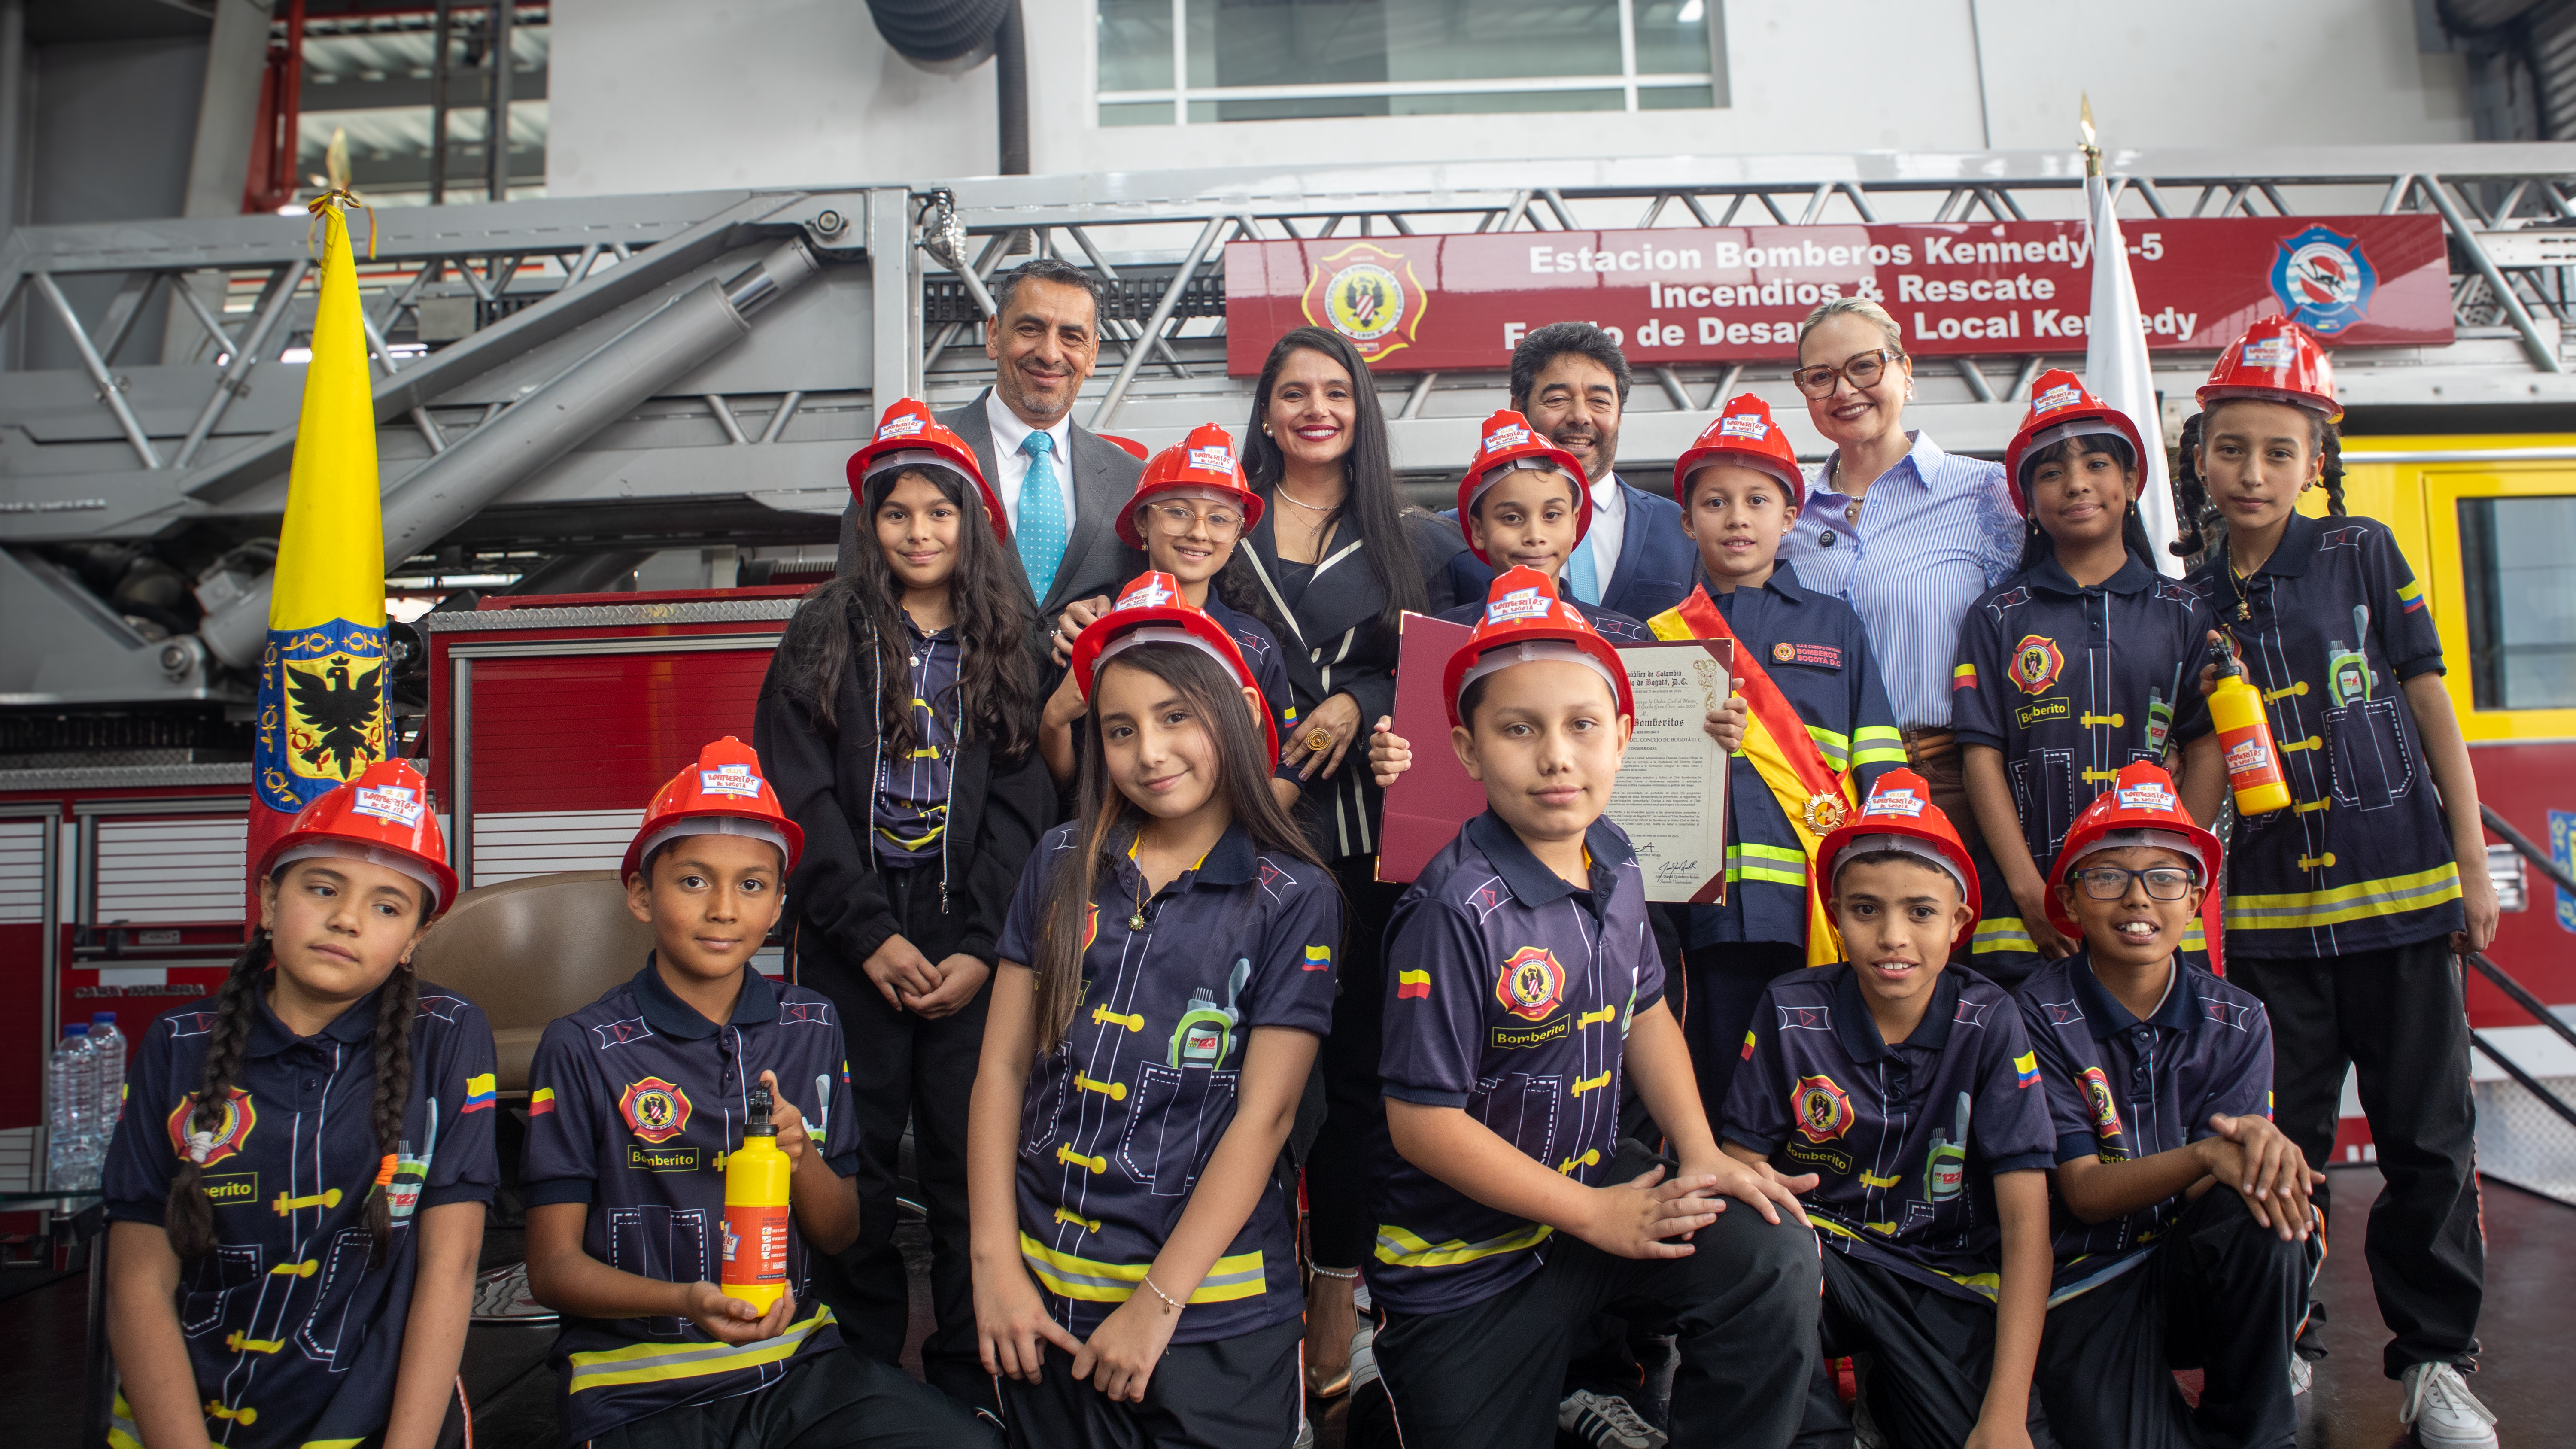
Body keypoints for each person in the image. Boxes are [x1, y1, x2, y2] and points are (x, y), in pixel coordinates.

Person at [1366, 566, 1823, 1449]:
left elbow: (1644, 1010)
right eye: (1518, 730)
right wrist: (1597, 1215)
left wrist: (1701, 1155)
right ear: (1466, 751)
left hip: (1584, 1193)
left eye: (1581, 726)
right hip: (1468, 1264)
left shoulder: (1613, 854)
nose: (1555, 756)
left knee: (1770, 1252)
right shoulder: (1453, 907)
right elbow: (1423, 1125)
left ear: (1623, 736)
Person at [2174, 316, 2501, 1449]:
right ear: (2201, 457)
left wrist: (2469, 861)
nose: (2253, 471)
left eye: (2277, 448)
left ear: (2317, 457)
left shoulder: (2364, 552)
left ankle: (2436, 1362)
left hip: (2404, 903)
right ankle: (2287, 1340)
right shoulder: (2190, 601)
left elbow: (2430, 706)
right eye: (2231, 447)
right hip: (2267, 929)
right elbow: (2200, 785)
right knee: (2281, 1148)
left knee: (2426, 1143)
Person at [520, 739, 995, 1449]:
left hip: (796, 1369)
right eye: (692, 882)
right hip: (637, 1387)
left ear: (778, 904)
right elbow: (553, 1270)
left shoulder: (810, 1024)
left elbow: (839, 1235)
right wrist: (685, 1301)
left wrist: (801, 1156)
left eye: (751, 885)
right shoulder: (583, 1047)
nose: (722, 909)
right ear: (642, 895)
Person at [967, 574, 1339, 1448]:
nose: (1150, 751)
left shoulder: (1293, 895)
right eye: (1121, 728)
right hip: (1042, 1302)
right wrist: (994, 1266)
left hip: (1210, 1316)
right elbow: (1001, 1069)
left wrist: (1156, 1304)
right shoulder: (1060, 860)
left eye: (1178, 717)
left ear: (1239, 715)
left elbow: (1267, 1114)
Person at [756, 400, 1058, 1415]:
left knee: (973, 1159)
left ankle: (977, 1376)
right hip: (853, 941)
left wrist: (981, 947)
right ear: (867, 524)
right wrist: (868, 932)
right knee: (853, 1160)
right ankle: (861, 1372)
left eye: (941, 513)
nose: (920, 533)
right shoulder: (821, 630)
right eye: (898, 514)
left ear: (972, 524)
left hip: (968, 944)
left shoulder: (1004, 636)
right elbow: (798, 794)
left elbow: (1026, 806)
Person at [102, 760, 493, 1449]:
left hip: (372, 1422)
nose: (347, 917)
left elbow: (449, 1264)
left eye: (387, 905)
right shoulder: (175, 1044)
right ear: (268, 900)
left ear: (412, 940)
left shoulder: (450, 1036)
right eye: (323, 887)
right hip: (193, 1416)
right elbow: (138, 1280)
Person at [1216, 325, 1465, 1392]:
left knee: (1358, 1077)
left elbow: (1457, 656)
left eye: (1336, 392)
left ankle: (1335, 1298)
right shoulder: (1213, 527)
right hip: (1241, 834)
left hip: (1370, 842)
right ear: (1265, 411)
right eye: (1293, 393)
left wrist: (1362, 697)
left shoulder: (1416, 539)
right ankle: (1238, 1282)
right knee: (1239, 1069)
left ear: (1362, 413)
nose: (1315, 409)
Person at [1722, 769, 2054, 1449]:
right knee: (1761, 1257)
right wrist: (1767, 1213)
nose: (1892, 935)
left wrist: (2006, 1414)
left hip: (1941, 1276)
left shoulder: (1989, 1019)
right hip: (1821, 1262)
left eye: (1921, 911)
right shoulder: (1790, 1009)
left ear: (1960, 922)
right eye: (1866, 909)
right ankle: (1819, 1426)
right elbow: (1738, 1166)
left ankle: (1887, 1388)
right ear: (1835, 911)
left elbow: (2027, 1227)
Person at [2020, 762, 2321, 1449]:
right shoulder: (2035, 1013)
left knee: (2269, 1208)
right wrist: (2209, 1154)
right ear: (2069, 897)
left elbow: (2229, 1186)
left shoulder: (2239, 1019)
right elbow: (2086, 1192)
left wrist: (2261, 1157)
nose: (2137, 899)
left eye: (2165, 877)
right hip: (2088, 1281)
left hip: (2195, 1274)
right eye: (2107, 876)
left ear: (2196, 898)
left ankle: (2256, 1431)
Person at [1650, 394, 1905, 1122]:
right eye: (1716, 502)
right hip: (1705, 912)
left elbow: (1879, 761)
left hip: (1816, 906)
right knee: (1718, 1079)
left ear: (1790, 517)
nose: (1737, 518)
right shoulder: (1658, 639)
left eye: (1758, 500)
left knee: (1822, 1079)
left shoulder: (1836, 624)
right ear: (1686, 520)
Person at [1952, 372, 2222, 990]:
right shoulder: (1996, 615)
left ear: (2130, 484)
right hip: (2023, 915)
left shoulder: (2183, 612)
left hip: (2152, 908)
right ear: (2027, 503)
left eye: (2097, 464)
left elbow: (2207, 743)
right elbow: (1981, 757)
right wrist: (2028, 891)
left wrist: (2175, 868)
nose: (2075, 483)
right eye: (2049, 473)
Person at [1776, 298, 2022, 855]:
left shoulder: (1987, 493)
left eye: (1864, 366)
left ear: (1905, 373)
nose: (1844, 390)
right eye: (1821, 377)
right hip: (1818, 789)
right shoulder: (1786, 518)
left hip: (1947, 779)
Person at [835, 258, 1146, 625]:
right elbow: (853, 606)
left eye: (1071, 337)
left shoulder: (1132, 480)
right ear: (995, 335)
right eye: (1030, 329)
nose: (1049, 353)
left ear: (1092, 353)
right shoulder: (910, 453)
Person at [1041, 424, 1304, 810]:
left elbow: (1285, 763)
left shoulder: (1256, 644)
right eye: (1179, 512)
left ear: (1237, 535)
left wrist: (1235, 836)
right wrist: (1054, 718)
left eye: (1219, 519)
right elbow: (1071, 780)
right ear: (1143, 521)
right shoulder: (1095, 631)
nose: (1199, 533)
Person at [1443, 322, 1696, 621]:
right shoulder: (1448, 536)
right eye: (1557, 400)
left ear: (1620, 415)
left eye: (1599, 401)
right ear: (1518, 409)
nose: (1580, 416)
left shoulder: (1685, 532)